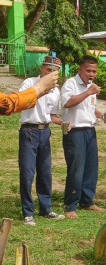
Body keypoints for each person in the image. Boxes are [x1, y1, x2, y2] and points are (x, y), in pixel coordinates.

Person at [18, 56, 66, 226]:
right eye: (48, 70)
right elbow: (23, 102)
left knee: (45, 172)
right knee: (27, 172)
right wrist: (39, 92)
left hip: (44, 131)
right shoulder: (30, 83)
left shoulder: (56, 91)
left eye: (55, 72)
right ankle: (28, 212)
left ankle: (46, 208)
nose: (51, 74)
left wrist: (62, 122)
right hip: (29, 131)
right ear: (41, 69)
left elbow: (52, 115)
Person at [61, 55, 105, 218]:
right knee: (76, 169)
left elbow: (89, 108)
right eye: (88, 70)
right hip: (75, 131)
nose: (91, 74)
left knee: (91, 168)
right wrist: (88, 92)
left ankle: (87, 201)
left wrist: (100, 114)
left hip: (89, 130)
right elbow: (67, 103)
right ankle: (70, 205)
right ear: (80, 69)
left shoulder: (91, 87)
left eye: (94, 71)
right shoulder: (71, 84)